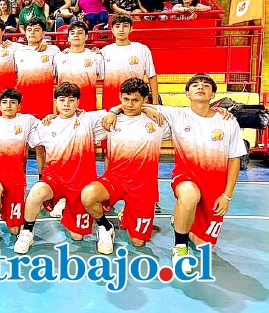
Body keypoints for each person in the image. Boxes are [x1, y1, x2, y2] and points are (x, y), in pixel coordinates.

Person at [134, 74, 243, 273]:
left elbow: (234, 159)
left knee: (205, 246)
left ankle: (182, 218)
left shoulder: (227, 121)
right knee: (189, 195)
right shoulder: (178, 115)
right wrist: (144, 109)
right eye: (195, 85)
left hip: (214, 186)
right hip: (186, 178)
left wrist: (227, 195)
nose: (200, 87)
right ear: (187, 93)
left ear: (213, 95)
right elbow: (134, 105)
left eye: (206, 85)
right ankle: (180, 246)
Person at [13, 82, 106, 254]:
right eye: (62, 100)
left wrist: (147, 109)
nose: (66, 104)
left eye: (71, 100)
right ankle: (27, 232)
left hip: (80, 183)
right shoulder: (46, 125)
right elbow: (26, 133)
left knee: (77, 236)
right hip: (54, 179)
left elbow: (123, 109)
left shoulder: (88, 120)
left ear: (78, 102)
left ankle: (68, 209)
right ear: (55, 101)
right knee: (36, 191)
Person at [81, 78, 169, 254]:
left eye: (135, 100)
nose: (129, 104)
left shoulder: (159, 120)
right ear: (120, 97)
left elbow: (193, 115)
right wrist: (115, 110)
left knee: (138, 243)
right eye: (125, 99)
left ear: (145, 99)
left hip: (143, 187)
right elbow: (72, 115)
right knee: (88, 195)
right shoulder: (108, 118)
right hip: (115, 179)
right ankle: (105, 227)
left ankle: (129, 211)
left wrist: (146, 109)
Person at [0, 88, 40, 246]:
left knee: (15, 231)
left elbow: (47, 127)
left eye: (13, 102)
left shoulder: (27, 120)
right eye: (4, 102)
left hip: (16, 177)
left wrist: (51, 118)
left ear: (19, 106)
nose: (8, 105)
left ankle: (10, 219)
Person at [100, 14, 158, 110]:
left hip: (136, 102)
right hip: (111, 104)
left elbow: (151, 76)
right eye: (117, 26)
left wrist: (155, 103)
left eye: (125, 26)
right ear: (112, 29)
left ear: (131, 28)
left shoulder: (142, 49)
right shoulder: (104, 52)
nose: (121, 29)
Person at [13, 19, 61, 118]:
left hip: (44, 102)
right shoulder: (17, 52)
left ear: (43, 33)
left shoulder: (54, 50)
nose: (32, 32)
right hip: (24, 101)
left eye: (36, 30)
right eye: (29, 30)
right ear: (25, 33)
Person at [53, 21, 102, 111]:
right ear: (68, 38)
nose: (76, 35)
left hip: (88, 108)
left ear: (86, 37)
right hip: (65, 110)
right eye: (72, 33)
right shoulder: (58, 57)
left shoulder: (96, 56)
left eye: (80, 33)